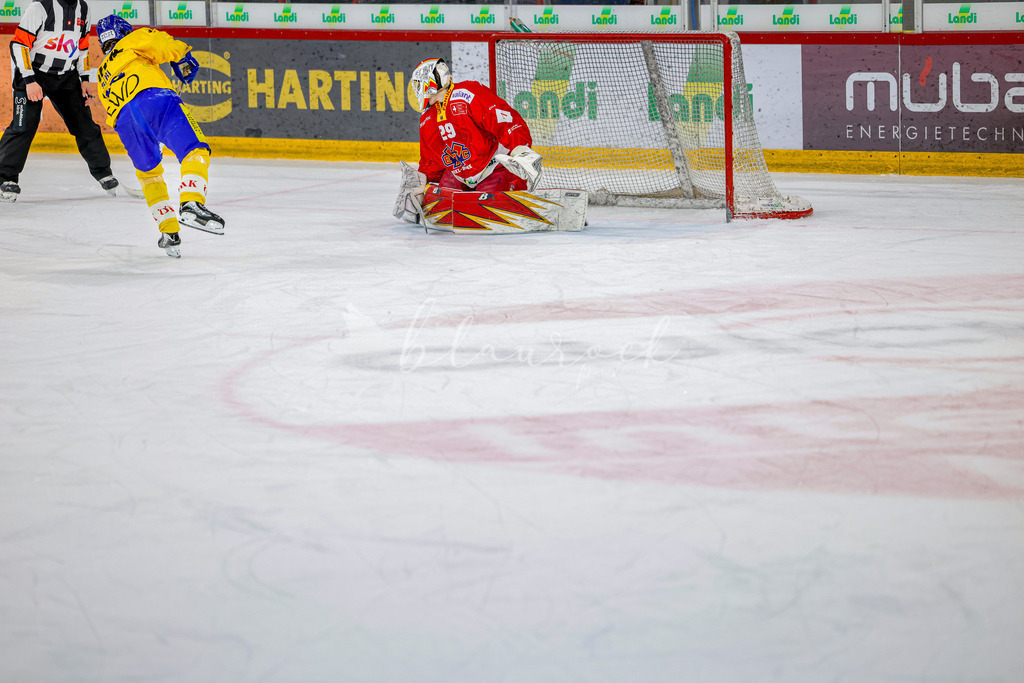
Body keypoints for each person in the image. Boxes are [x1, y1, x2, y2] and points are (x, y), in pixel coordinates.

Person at [94, 15, 224, 258]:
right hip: (153, 99)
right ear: (123, 30)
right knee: (194, 149)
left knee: (149, 174)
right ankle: (192, 202)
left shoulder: (101, 73)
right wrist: (182, 56)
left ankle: (168, 232)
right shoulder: (133, 39)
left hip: (125, 122)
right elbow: (164, 44)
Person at [394, 57, 544, 226]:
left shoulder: (467, 94)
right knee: (439, 203)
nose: (416, 89)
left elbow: (502, 118)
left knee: (487, 207)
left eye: (418, 83)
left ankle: (515, 197)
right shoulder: (427, 119)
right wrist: (421, 184)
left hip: (494, 167)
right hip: (460, 174)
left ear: (430, 81)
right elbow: (432, 158)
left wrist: (520, 149)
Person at [0, 0, 119, 203]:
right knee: (23, 126)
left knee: (84, 124)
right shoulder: (39, 8)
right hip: (33, 74)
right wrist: (29, 80)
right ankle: (6, 178)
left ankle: (103, 172)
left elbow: (82, 48)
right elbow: (19, 45)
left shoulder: (84, 8)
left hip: (66, 76)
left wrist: (84, 79)